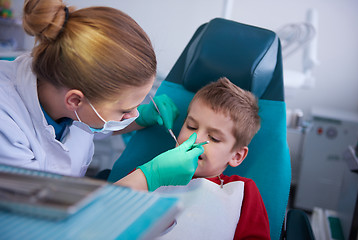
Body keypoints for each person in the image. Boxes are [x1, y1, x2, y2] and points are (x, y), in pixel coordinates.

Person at [0, 0, 204, 191]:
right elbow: (39, 210)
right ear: (74, 100)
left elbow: (91, 124)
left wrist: (144, 116)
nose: (133, 114)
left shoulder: (66, 82)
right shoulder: (6, 126)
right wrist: (150, 177)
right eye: (125, 110)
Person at [154, 77, 270, 240]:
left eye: (214, 138)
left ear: (236, 156)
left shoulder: (242, 192)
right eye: (191, 126)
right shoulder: (154, 170)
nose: (195, 138)